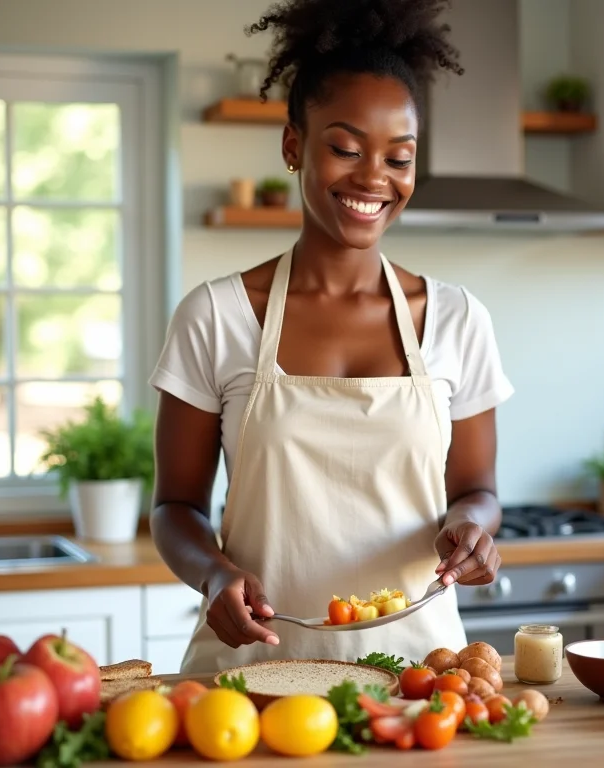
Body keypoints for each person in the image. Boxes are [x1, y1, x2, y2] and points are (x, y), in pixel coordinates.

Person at [149, 0, 514, 674]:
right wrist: (212, 573)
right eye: (345, 148)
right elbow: (174, 507)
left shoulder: (458, 319)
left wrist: (473, 527)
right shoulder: (217, 315)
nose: (374, 177)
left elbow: (478, 490)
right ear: (294, 145)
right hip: (251, 682)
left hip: (418, 682)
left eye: (399, 157)